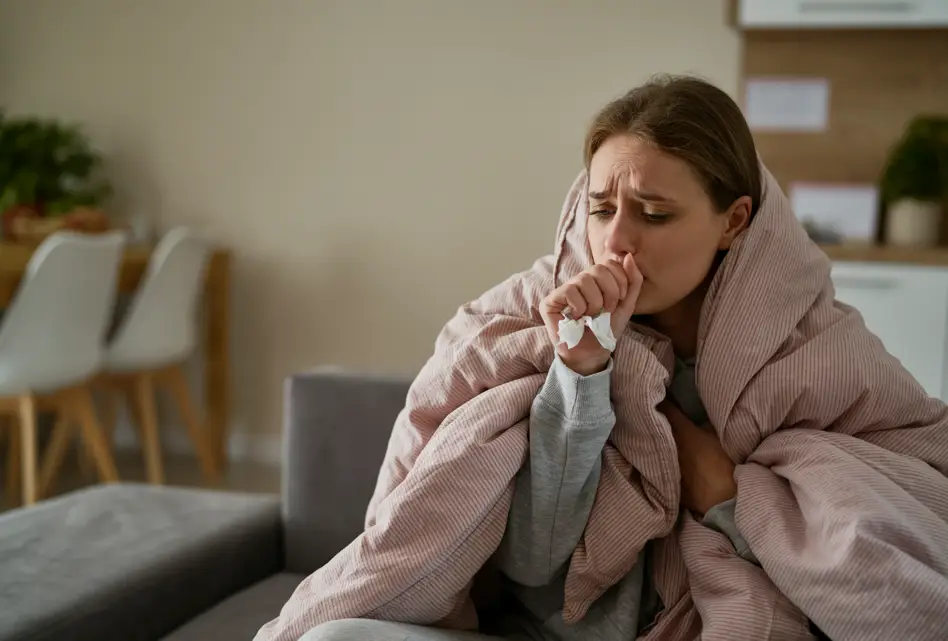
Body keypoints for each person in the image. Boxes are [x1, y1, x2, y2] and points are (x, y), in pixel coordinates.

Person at [298, 75, 781, 641]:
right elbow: (533, 560)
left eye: (653, 214)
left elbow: (844, 557)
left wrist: (727, 498)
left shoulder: (802, 349)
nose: (617, 240)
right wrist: (584, 372)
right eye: (601, 208)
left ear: (734, 220)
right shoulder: (537, 315)